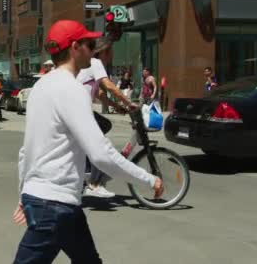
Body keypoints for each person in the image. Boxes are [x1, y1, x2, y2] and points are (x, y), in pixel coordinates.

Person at [13, 20, 163, 263]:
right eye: (90, 44)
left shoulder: (40, 87)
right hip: (54, 206)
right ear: (75, 48)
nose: (94, 50)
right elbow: (101, 155)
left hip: (53, 203)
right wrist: (149, 179)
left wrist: (24, 194)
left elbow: (26, 151)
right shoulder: (72, 90)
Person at [77, 37, 138, 198]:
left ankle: (88, 167)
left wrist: (116, 106)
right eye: (111, 51)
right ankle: (94, 183)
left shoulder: (91, 64)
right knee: (99, 144)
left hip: (80, 110)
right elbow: (109, 85)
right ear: (104, 51)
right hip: (80, 111)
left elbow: (99, 92)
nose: (112, 54)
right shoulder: (95, 63)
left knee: (104, 124)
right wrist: (128, 102)